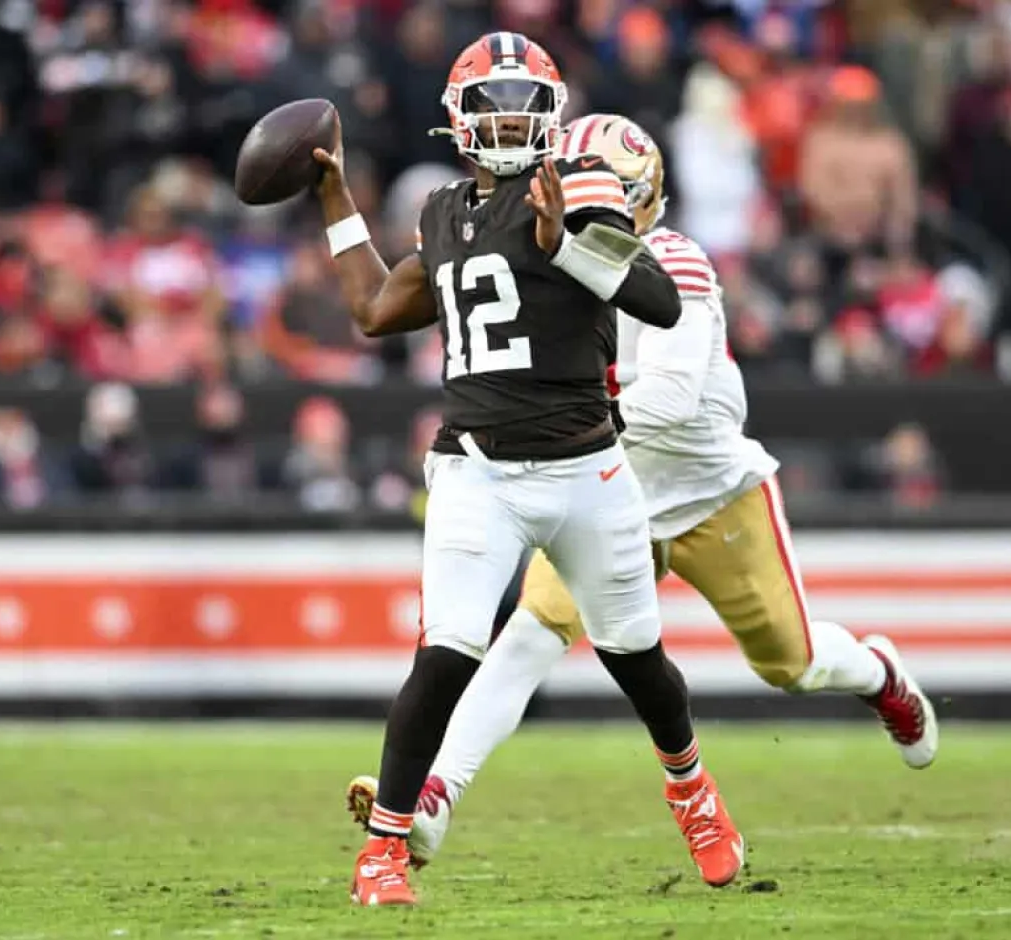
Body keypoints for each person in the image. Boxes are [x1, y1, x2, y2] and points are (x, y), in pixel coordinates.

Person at [346, 115, 940, 869]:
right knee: (529, 634)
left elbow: (673, 397)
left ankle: (878, 673)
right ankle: (437, 796)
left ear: (644, 199)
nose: (597, 206)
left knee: (789, 662)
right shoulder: (536, 249)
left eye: (613, 192)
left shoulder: (674, 261)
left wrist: (562, 427)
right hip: (600, 484)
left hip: (706, 492)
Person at [309, 34, 740, 906]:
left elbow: (658, 301)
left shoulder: (580, 185)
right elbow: (374, 307)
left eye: (522, 108)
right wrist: (334, 195)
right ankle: (383, 852)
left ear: (550, 116)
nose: (508, 123)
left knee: (638, 659)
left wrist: (565, 241)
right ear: (458, 120)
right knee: (445, 656)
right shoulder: (441, 211)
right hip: (476, 470)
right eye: (491, 108)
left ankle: (692, 790)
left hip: (587, 468)